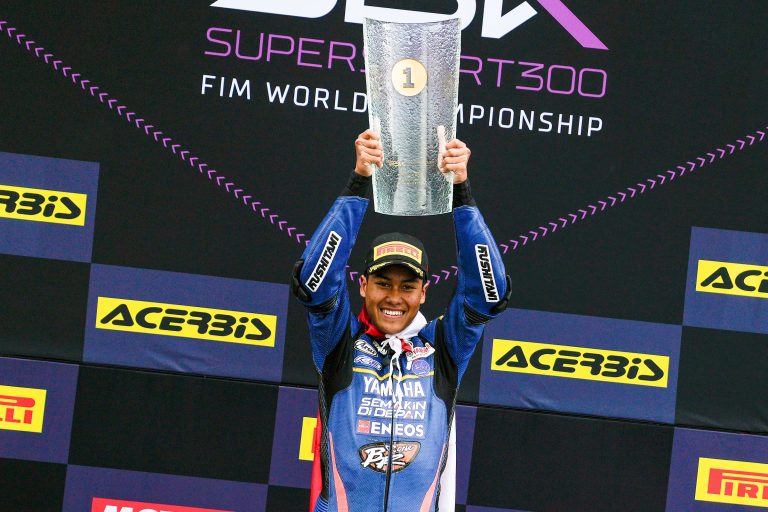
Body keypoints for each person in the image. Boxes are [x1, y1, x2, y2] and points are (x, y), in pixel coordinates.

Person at [291, 129, 510, 512]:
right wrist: (359, 182)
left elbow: (489, 294)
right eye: (383, 284)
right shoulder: (340, 342)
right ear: (363, 286)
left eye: (407, 286)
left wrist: (461, 191)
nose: (394, 297)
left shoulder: (441, 348)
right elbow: (314, 282)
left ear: (423, 293)